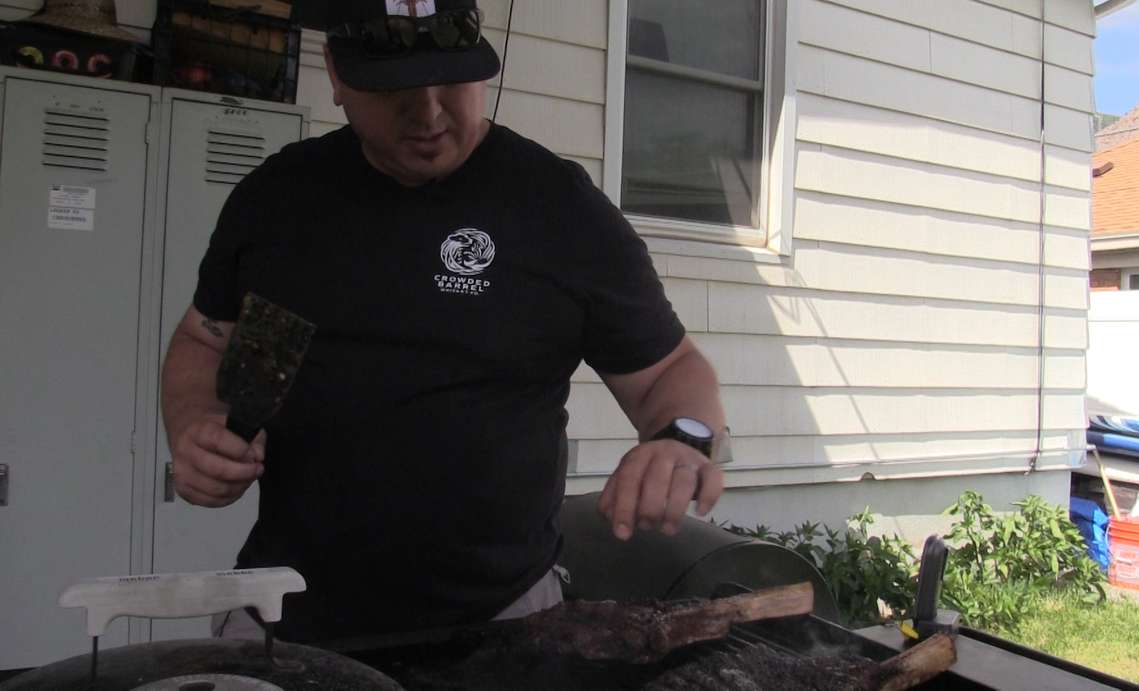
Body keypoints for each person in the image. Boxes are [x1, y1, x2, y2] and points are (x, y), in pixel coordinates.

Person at [161, 0, 729, 644]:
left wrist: (682, 441)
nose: (428, 113)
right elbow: (203, 340)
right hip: (283, 609)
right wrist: (194, 424)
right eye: (394, 88)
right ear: (337, 75)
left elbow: (674, 371)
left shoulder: (559, 211)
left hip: (503, 619)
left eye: (452, 79)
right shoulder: (279, 199)